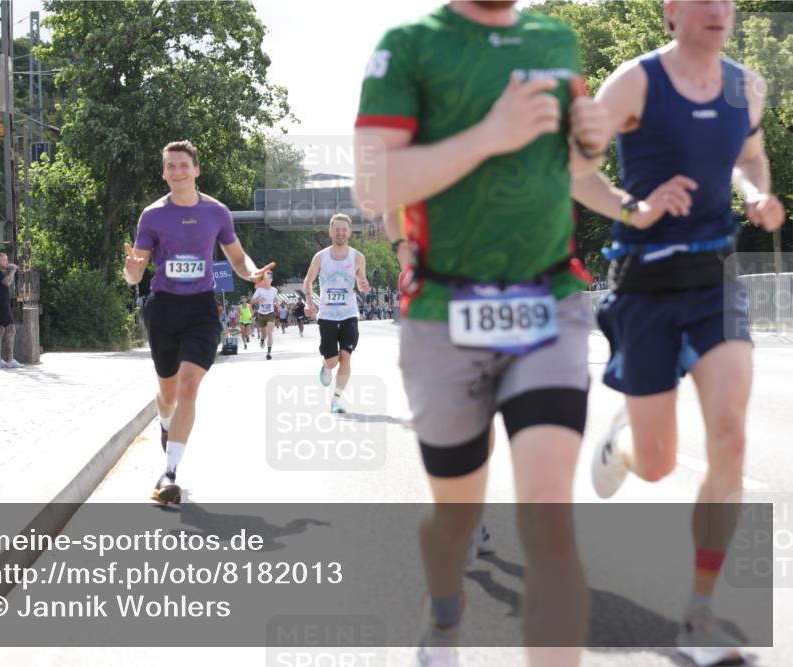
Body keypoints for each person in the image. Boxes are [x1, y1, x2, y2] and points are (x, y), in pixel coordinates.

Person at [353, 1, 608, 665]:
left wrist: (592, 143)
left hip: (548, 299)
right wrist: (489, 134)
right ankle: (444, 615)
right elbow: (373, 185)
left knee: (550, 515)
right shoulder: (409, 46)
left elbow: (575, 169)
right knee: (456, 519)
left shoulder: (556, 39)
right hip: (444, 310)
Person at [571, 2, 786, 664]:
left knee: (731, 436)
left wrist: (754, 192)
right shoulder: (635, 84)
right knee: (660, 461)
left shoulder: (746, 86)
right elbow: (576, 171)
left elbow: (752, 156)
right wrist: (634, 207)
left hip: (716, 280)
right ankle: (625, 445)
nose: (717, 8)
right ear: (672, 11)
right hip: (646, 286)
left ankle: (698, 615)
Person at [124, 140, 273, 504]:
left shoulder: (217, 212)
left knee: (190, 386)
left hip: (201, 311)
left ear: (196, 170)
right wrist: (131, 272)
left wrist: (252, 273)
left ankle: (168, 473)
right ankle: (164, 423)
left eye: (183, 165)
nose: (177, 172)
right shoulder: (153, 216)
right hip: (163, 308)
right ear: (164, 173)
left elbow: (237, 258)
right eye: (170, 166)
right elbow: (136, 269)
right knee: (168, 392)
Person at [304, 214, 371, 414]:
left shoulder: (357, 257)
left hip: (349, 313)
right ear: (331, 231)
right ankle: (325, 366)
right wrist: (309, 303)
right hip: (327, 315)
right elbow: (308, 281)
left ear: (350, 232)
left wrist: (364, 285)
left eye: (344, 229)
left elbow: (361, 281)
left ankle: (336, 399)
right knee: (332, 361)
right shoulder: (320, 257)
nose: (340, 232)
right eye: (337, 229)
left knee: (346, 357)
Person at [0, 252, 22, 369]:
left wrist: (9, 271)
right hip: (2, 305)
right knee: (11, 330)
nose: (7, 263)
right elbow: (7, 283)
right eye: (4, 260)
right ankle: (10, 359)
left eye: (7, 260)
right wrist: (12, 271)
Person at [251, 270, 279, 359]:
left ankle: (269, 352)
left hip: (270, 314)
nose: (266, 280)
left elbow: (275, 299)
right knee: (264, 334)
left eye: (268, 279)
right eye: (265, 279)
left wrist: (277, 303)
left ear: (271, 280)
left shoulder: (274, 290)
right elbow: (251, 302)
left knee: (270, 333)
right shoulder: (259, 290)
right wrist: (258, 299)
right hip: (261, 315)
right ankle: (262, 340)